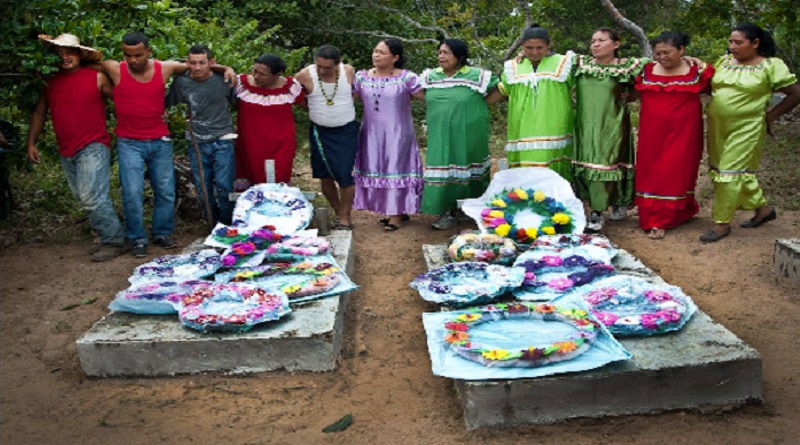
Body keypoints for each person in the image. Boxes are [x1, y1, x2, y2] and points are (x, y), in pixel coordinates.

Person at [95, 32, 234, 257]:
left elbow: (198, 66)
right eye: (127, 55)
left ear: (149, 52)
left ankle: (162, 232)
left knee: (166, 191)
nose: (132, 60)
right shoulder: (114, 68)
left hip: (160, 140)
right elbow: (86, 63)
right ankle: (137, 238)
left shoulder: (165, 68)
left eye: (138, 55)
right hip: (129, 142)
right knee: (132, 192)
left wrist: (227, 69)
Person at [25, 34, 126, 262]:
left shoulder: (96, 77)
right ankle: (109, 233)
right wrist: (31, 142)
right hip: (66, 147)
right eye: (59, 54)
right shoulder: (49, 81)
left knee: (92, 196)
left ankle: (114, 241)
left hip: (93, 143)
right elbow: (40, 112)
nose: (65, 57)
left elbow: (122, 99)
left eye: (70, 52)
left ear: (80, 54)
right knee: (84, 196)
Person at [700, 23, 800, 243]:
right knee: (723, 171)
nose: (732, 46)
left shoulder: (770, 66)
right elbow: (712, 87)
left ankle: (721, 223)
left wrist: (771, 116)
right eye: (730, 42)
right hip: (718, 126)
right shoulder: (725, 62)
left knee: (729, 173)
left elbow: (795, 93)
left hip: (747, 127)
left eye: (738, 42)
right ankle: (763, 210)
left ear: (755, 43)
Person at [634, 31, 714, 240]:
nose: (662, 57)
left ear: (681, 50)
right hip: (651, 132)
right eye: (658, 53)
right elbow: (631, 92)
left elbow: (716, 90)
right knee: (650, 170)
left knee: (676, 170)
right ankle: (653, 217)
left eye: (667, 52)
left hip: (684, 131)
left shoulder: (697, 71)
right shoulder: (646, 70)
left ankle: (670, 217)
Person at [420, 39, 498, 230]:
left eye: (446, 53)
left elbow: (502, 90)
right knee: (443, 166)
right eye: (439, 53)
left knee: (468, 164)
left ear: (460, 56)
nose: (441, 56)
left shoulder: (476, 76)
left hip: (470, 131)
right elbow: (417, 93)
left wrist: (477, 107)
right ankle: (447, 211)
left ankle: (470, 210)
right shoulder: (430, 76)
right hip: (440, 133)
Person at [572, 28, 643, 233]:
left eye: (601, 40)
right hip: (585, 124)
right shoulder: (581, 65)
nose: (595, 44)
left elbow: (650, 75)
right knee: (589, 164)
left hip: (613, 123)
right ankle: (598, 206)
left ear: (616, 44)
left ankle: (602, 209)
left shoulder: (628, 67)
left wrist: (631, 96)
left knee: (608, 163)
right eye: (593, 40)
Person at [487, 25, 575, 181]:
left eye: (540, 47)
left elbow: (583, 88)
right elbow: (502, 91)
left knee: (551, 162)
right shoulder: (513, 66)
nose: (534, 52)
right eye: (529, 48)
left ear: (548, 45)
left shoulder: (564, 63)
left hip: (554, 125)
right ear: (522, 46)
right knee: (526, 166)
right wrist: (473, 105)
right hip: (522, 127)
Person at [352, 39, 423, 231]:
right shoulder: (362, 77)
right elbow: (348, 99)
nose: (376, 55)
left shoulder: (407, 78)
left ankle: (397, 214)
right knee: (377, 167)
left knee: (395, 168)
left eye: (382, 53)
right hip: (371, 133)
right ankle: (388, 208)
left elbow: (429, 97)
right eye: (375, 51)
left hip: (398, 134)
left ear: (395, 57)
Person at [165, 44, 237, 225]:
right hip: (196, 142)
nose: (197, 67)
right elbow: (168, 105)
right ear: (187, 63)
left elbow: (238, 104)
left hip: (223, 139)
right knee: (203, 187)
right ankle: (212, 224)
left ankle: (228, 224)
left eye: (202, 63)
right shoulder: (181, 83)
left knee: (224, 185)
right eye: (193, 62)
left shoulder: (225, 80)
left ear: (211, 62)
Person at [295, 45, 359, 230]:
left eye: (327, 68)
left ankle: (346, 217)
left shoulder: (348, 72)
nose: (322, 71)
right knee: (325, 176)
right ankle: (339, 212)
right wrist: (314, 110)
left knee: (344, 174)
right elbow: (296, 96)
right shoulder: (304, 75)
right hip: (320, 132)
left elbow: (356, 93)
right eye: (319, 66)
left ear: (337, 65)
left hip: (346, 130)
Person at [235, 54, 305, 186]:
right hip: (249, 141)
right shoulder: (241, 84)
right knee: (250, 173)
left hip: (281, 143)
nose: (256, 76)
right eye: (254, 71)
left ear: (275, 75)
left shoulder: (291, 88)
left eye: (262, 74)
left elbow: (308, 106)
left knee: (279, 176)